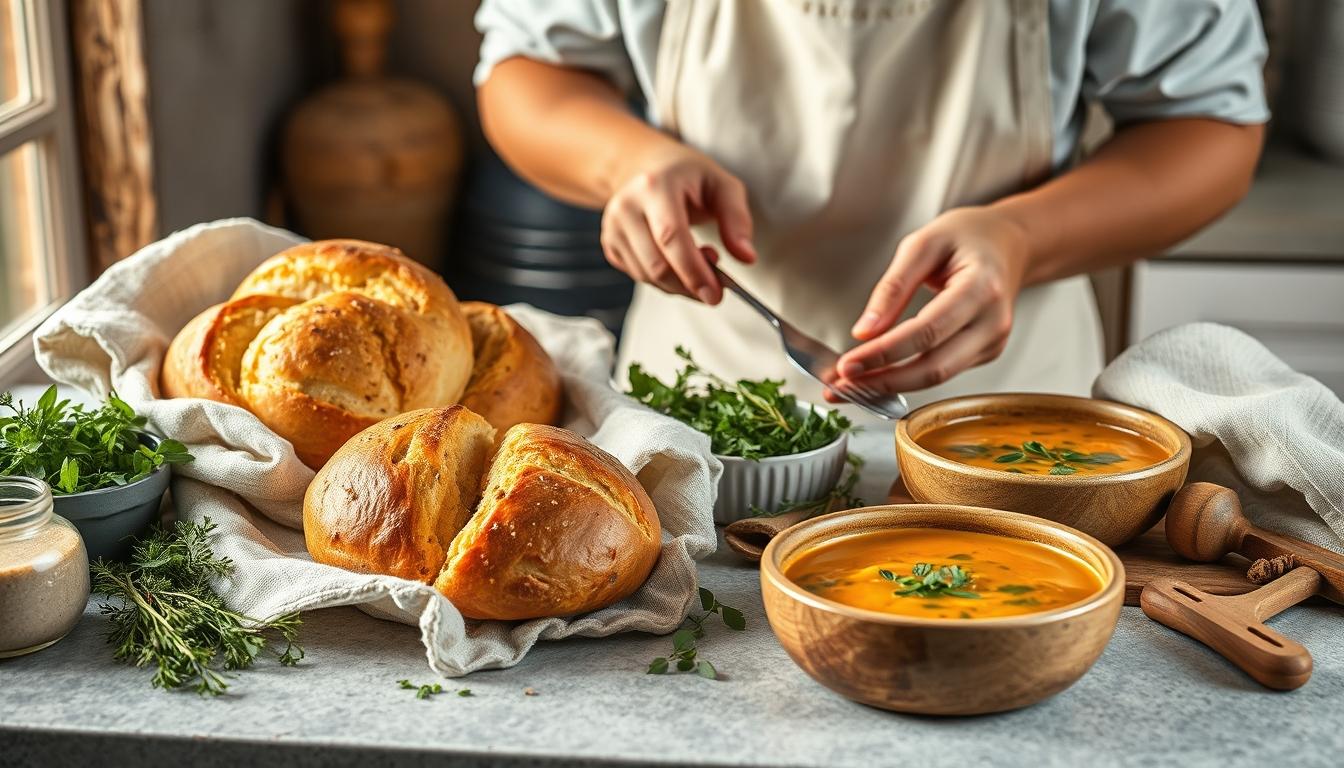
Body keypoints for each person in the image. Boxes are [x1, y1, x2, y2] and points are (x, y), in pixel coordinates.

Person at [473, 0, 1268, 416]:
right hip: (697, 408)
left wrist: (1022, 236)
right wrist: (629, 162)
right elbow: (526, 71)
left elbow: (1211, 126)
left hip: (1010, 406)